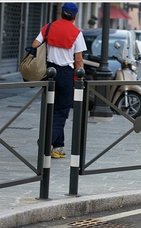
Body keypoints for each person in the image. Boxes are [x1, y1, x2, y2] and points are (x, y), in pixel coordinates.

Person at [32, 2, 87, 158]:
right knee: (62, 111)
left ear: (61, 13)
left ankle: (58, 147)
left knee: (52, 109)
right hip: (65, 74)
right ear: (75, 16)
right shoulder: (76, 33)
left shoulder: (49, 27)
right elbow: (78, 60)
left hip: (48, 72)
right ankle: (46, 140)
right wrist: (80, 77)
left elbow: (35, 44)